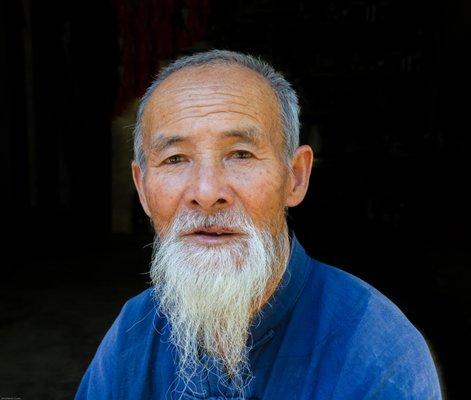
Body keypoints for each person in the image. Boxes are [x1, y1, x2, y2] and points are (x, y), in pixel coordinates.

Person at [75, 50, 442, 399]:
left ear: (295, 177)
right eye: (175, 159)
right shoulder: (134, 332)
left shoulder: (376, 350)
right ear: (142, 189)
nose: (206, 192)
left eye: (240, 154)